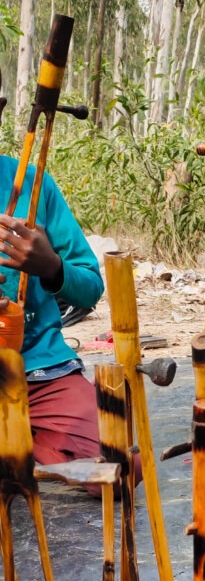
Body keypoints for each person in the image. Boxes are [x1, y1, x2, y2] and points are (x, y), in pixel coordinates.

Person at [0, 87, 104, 468]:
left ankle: (23, 446)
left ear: (0, 108)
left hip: (39, 371)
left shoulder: (32, 180)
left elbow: (91, 286)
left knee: (118, 464)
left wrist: (51, 267)